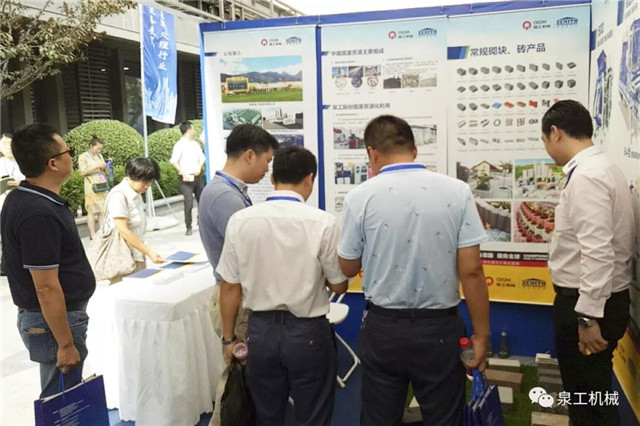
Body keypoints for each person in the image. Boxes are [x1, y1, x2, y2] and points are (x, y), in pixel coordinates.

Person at [338, 115, 490, 425]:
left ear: (372, 153)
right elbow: (472, 271)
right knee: (444, 417)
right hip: (440, 329)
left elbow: (348, 267)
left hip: (383, 328)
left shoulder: (359, 197)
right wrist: (482, 335)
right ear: (415, 150)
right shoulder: (457, 191)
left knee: (379, 418)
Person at [217, 146, 348, 425]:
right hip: (308, 332)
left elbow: (229, 287)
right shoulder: (324, 223)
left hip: (260, 331)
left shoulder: (240, 221)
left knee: (266, 414)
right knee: (313, 414)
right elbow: (339, 286)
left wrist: (228, 339)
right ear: (309, 179)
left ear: (273, 178)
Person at [541, 100, 635, 426]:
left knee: (587, 397)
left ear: (555, 132)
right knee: (591, 390)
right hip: (599, 300)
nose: (547, 149)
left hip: (588, 306)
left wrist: (587, 317)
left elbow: (597, 251)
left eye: (545, 140)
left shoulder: (587, 177)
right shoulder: (602, 168)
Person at [0, 123, 95, 398]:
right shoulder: (37, 212)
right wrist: (65, 344)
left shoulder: (27, 198)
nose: (71, 157)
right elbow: (45, 286)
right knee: (62, 402)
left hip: (55, 318)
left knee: (64, 397)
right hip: (54, 321)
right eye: (69, 152)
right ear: (53, 163)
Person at [198, 123, 278, 426]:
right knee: (237, 384)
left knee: (244, 380)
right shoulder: (225, 198)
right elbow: (246, 257)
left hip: (236, 296)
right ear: (249, 155)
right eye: (267, 160)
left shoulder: (227, 192)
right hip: (235, 299)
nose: (267, 169)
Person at [103, 157, 164, 283]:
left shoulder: (136, 193)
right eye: (144, 182)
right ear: (131, 176)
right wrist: (149, 253)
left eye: (151, 182)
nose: (148, 186)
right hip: (121, 258)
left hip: (137, 253)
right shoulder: (119, 195)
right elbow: (123, 230)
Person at [170, 121, 205, 236]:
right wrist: (183, 172)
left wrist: (199, 168)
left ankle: (201, 221)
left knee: (202, 200)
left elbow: (202, 158)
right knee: (188, 203)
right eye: (193, 129)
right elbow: (174, 161)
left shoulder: (195, 144)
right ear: (188, 130)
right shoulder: (179, 145)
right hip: (186, 178)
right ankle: (188, 226)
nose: (195, 131)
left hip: (197, 176)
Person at [78, 136, 108, 239]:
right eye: (97, 148)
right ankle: (92, 234)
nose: (99, 151)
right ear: (91, 146)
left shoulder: (100, 156)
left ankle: (102, 231)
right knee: (91, 210)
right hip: (91, 184)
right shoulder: (83, 156)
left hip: (101, 181)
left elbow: (105, 171)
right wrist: (96, 166)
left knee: (102, 209)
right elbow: (82, 172)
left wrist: (105, 167)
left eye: (100, 149)